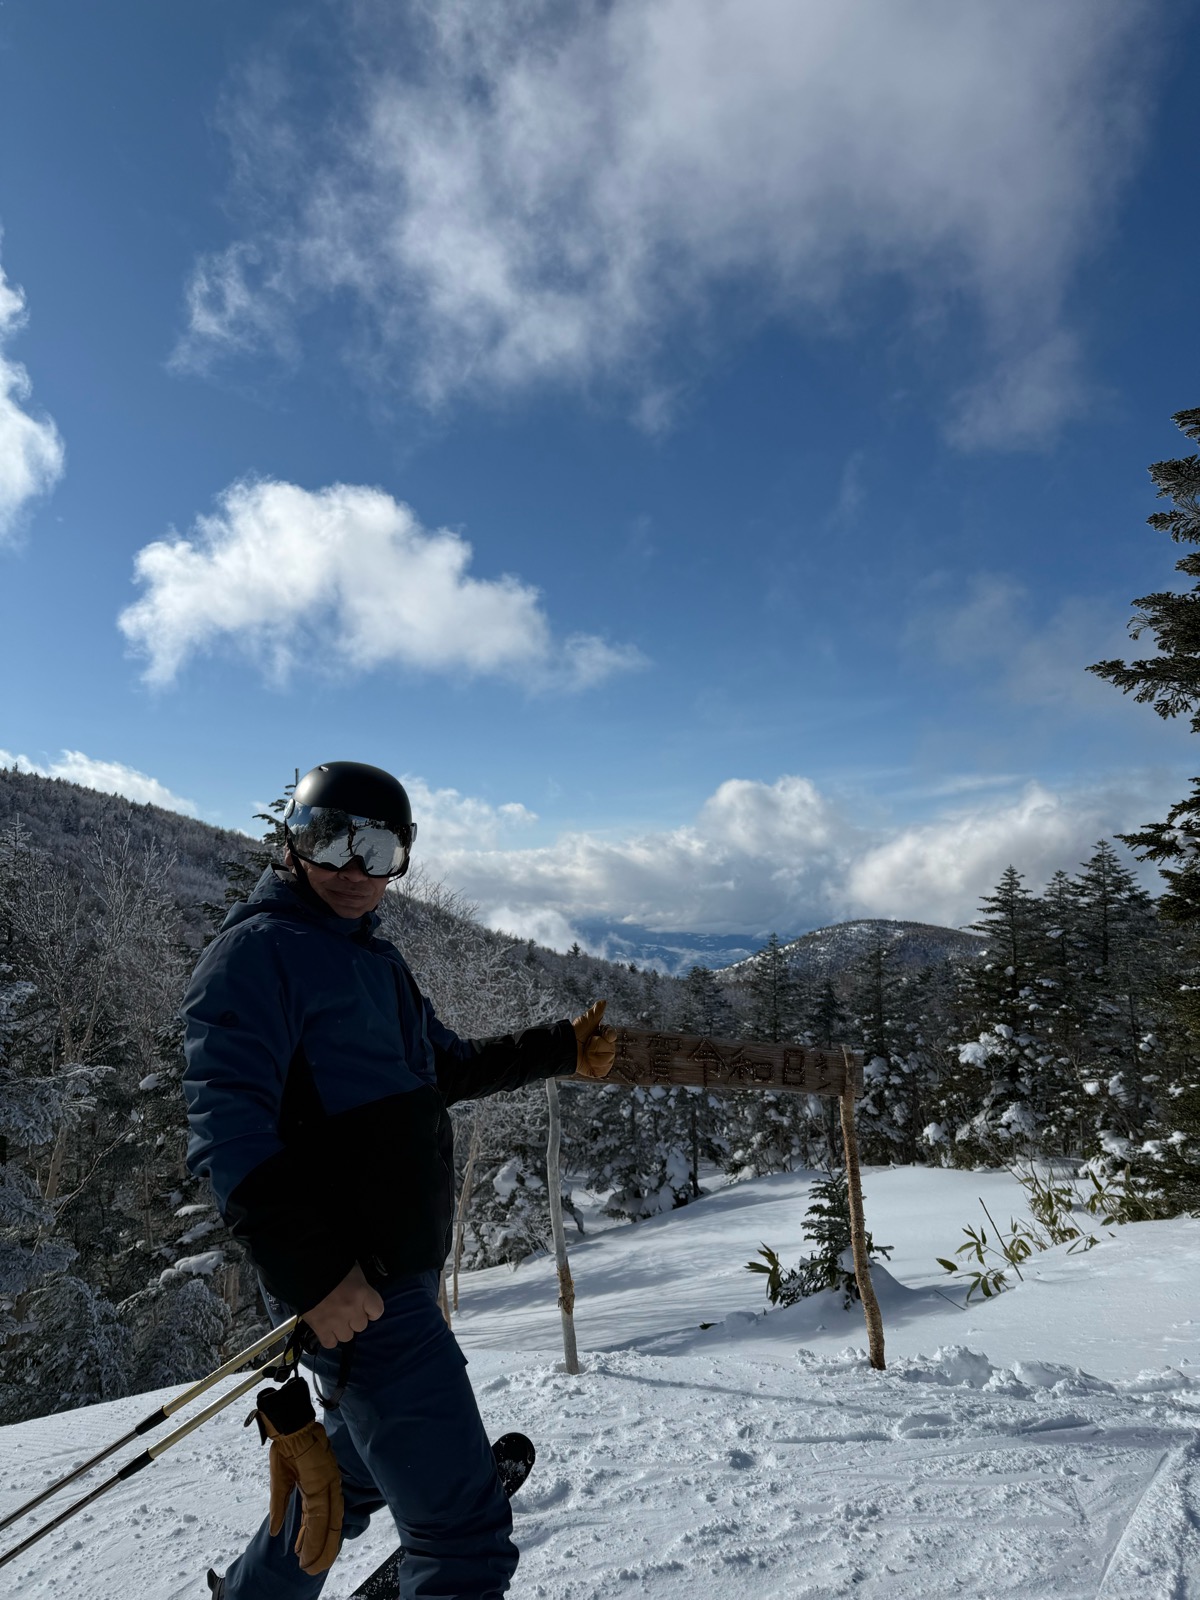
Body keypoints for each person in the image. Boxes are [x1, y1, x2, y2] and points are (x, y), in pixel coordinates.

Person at [181, 760, 616, 1599]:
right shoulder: (256, 956)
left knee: (349, 1478)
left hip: (387, 1279)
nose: (353, 868)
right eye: (329, 840)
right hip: (355, 1289)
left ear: (401, 859)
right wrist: (317, 1277)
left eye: (376, 850)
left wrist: (559, 1047)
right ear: (291, 845)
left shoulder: (374, 961)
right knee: (465, 1543)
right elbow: (228, 1134)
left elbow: (441, 1069)